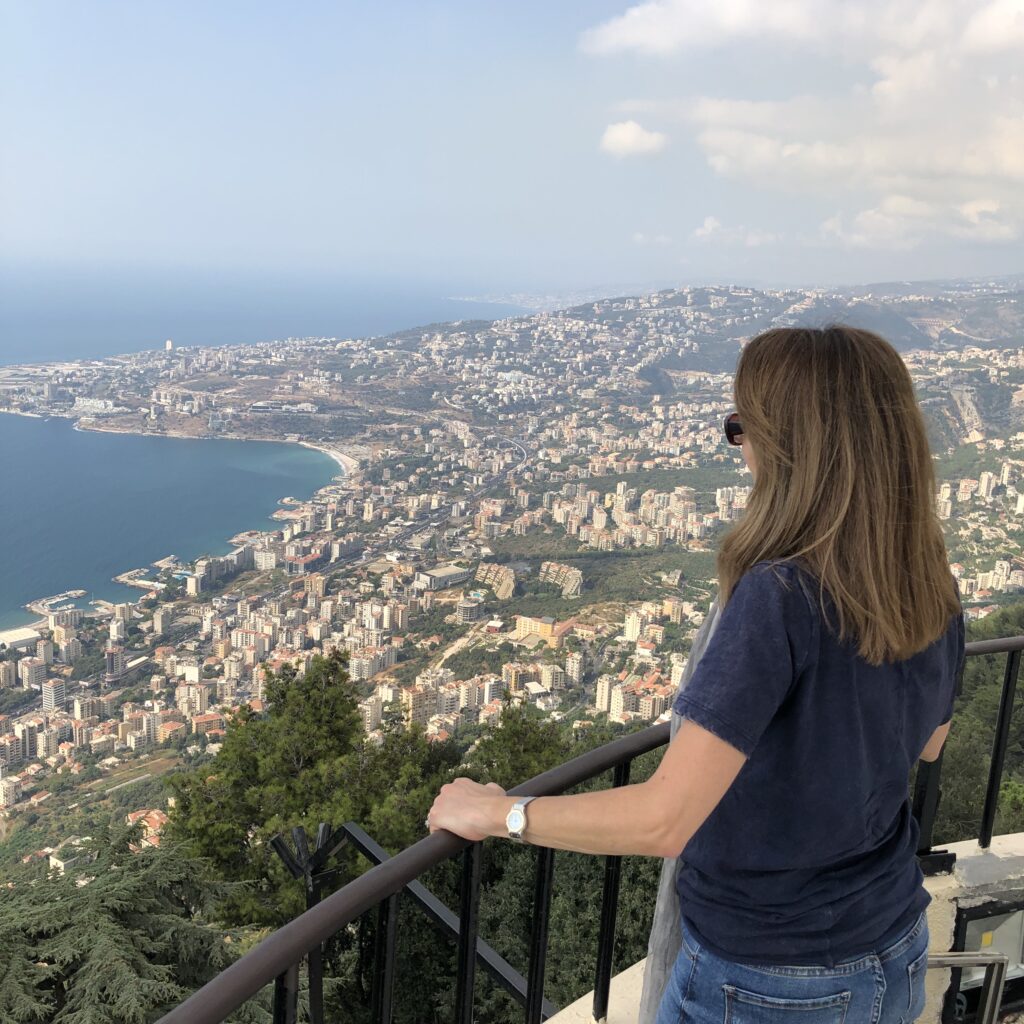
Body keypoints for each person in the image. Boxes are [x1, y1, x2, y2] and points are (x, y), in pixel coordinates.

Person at [427, 325, 963, 1024]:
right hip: (893, 939)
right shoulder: (928, 581)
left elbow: (664, 821)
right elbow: (929, 744)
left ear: (785, 444)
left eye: (742, 427)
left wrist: (499, 812)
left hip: (773, 976)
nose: (740, 447)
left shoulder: (779, 597)